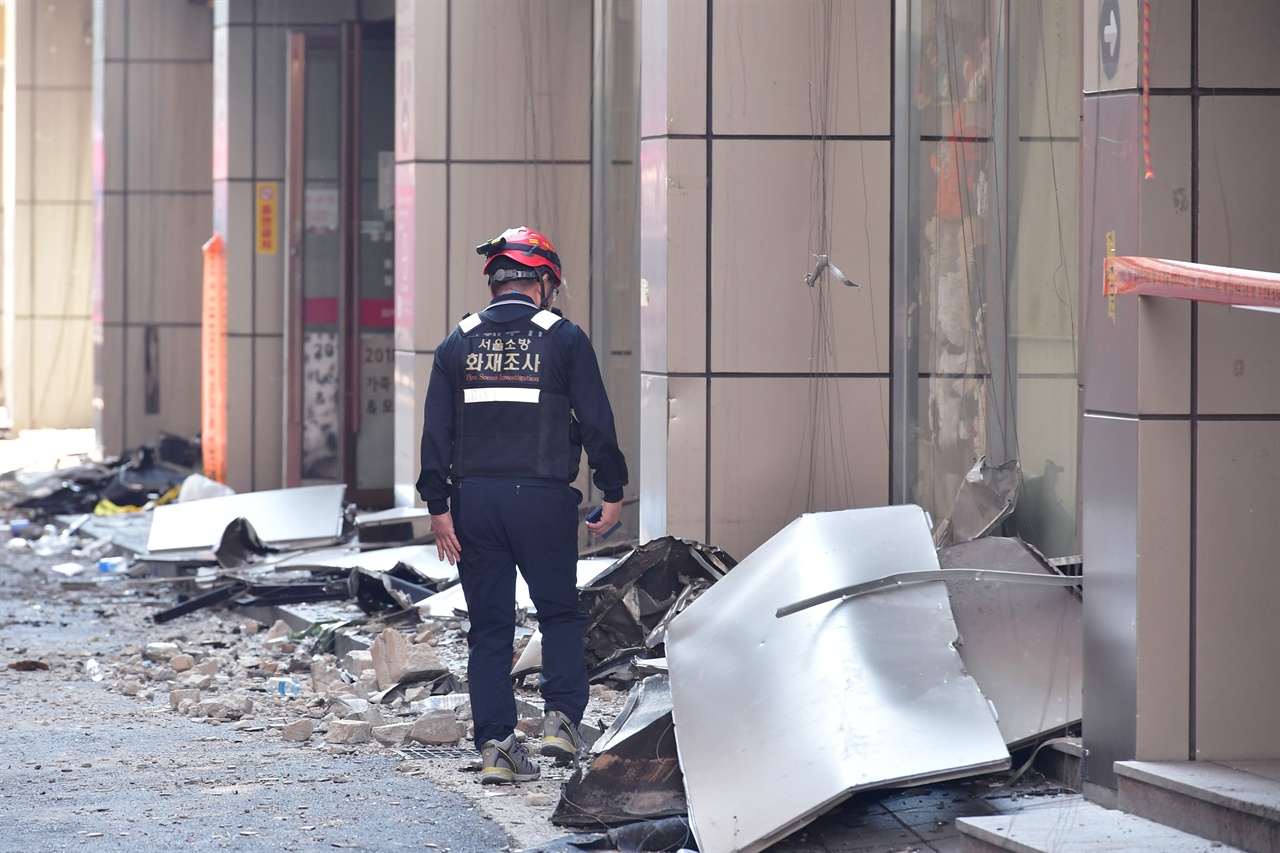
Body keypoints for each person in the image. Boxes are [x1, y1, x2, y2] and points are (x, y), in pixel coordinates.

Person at [416, 226, 628, 784]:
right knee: (558, 612)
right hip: (542, 501)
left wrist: (438, 506)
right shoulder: (563, 338)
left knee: (489, 627)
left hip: (473, 504)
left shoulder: (456, 342)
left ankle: (497, 751)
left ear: (495, 282)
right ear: (544, 282)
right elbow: (598, 423)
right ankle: (561, 723)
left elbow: (434, 432)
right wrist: (613, 489)